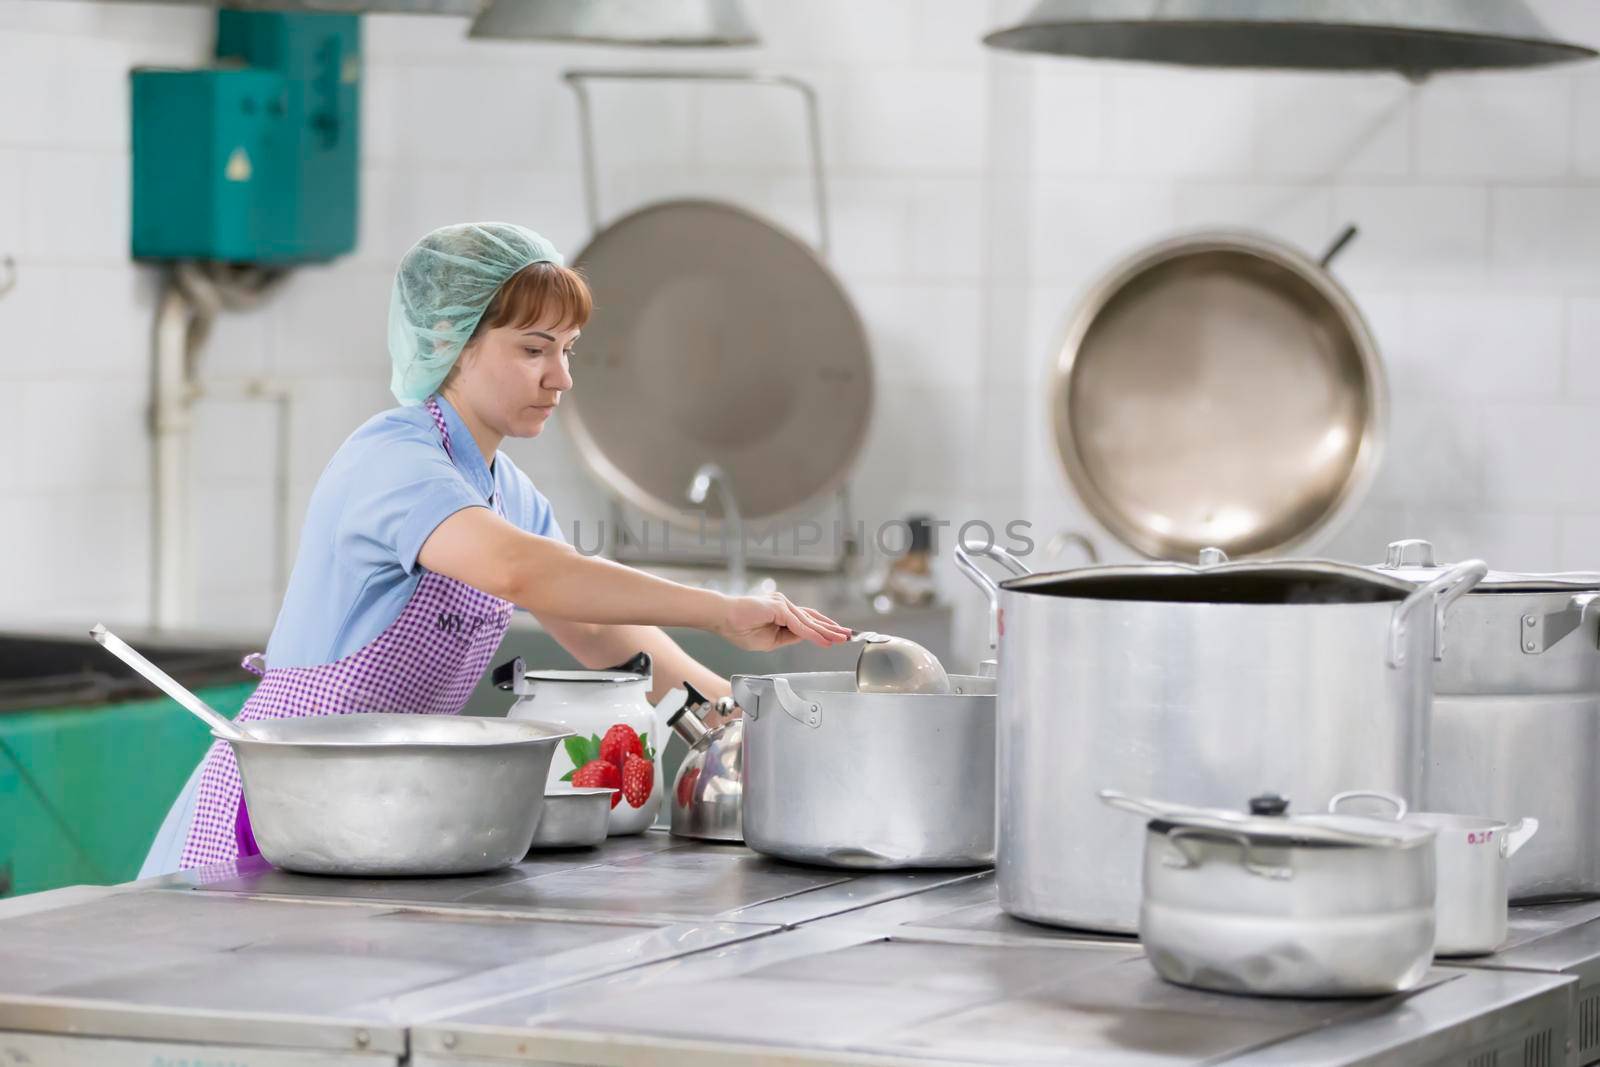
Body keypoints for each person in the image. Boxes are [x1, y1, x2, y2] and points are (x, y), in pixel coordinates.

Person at [140, 222, 848, 876]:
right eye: (534, 349)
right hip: (276, 816)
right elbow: (526, 572)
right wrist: (722, 611)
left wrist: (745, 722)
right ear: (451, 339)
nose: (561, 378)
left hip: (378, 813)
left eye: (568, 351)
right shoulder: (392, 460)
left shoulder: (505, 490)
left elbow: (599, 629)